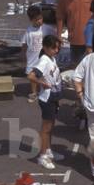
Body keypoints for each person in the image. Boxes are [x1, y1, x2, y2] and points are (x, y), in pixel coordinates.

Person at [28, 33, 62, 170]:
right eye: (54, 48)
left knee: (51, 126)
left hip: (53, 97)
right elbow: (30, 75)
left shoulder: (51, 58)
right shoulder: (44, 60)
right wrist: (42, 82)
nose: (57, 50)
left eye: (58, 48)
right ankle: (42, 156)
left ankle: (48, 150)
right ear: (46, 48)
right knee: (46, 128)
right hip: (47, 99)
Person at [21, 4, 55, 103]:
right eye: (37, 20)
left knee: (44, 75)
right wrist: (23, 54)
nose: (40, 21)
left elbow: (54, 36)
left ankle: (43, 91)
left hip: (43, 58)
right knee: (32, 78)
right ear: (31, 20)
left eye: (40, 18)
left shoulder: (46, 28)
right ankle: (34, 93)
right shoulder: (28, 31)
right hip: (31, 58)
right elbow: (24, 43)